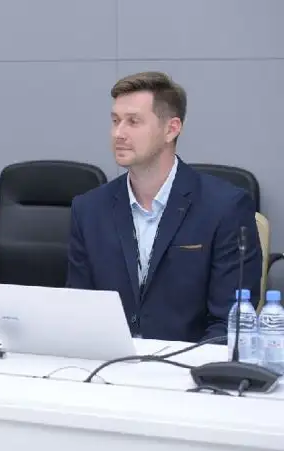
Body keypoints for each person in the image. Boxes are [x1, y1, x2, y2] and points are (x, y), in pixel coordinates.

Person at [66, 71, 261, 342]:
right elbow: (79, 310)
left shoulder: (225, 207)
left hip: (190, 364)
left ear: (171, 129)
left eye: (133, 121)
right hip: (108, 362)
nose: (118, 133)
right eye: (115, 121)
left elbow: (228, 323)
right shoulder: (89, 209)